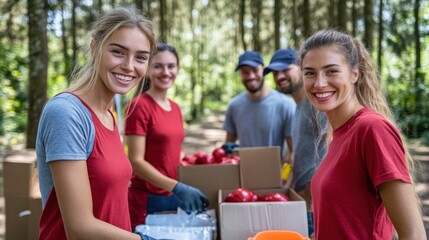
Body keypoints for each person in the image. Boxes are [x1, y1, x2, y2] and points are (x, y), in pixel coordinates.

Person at [35, 7, 160, 240]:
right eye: (118, 52)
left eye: (141, 57)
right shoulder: (67, 113)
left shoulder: (109, 115)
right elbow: (79, 228)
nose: (129, 66)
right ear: (95, 47)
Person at [300, 29, 426, 239]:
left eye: (331, 71)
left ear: (354, 74)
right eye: (310, 73)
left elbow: (414, 234)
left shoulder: (371, 129)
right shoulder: (337, 135)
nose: (319, 83)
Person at [125, 43, 208, 228]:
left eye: (171, 66)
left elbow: (174, 152)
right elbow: (135, 161)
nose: (166, 72)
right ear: (147, 70)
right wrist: (177, 187)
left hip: (171, 195)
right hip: (147, 199)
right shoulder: (139, 106)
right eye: (158, 66)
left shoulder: (175, 108)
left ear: (177, 69)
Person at [264, 48, 327, 237]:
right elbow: (297, 153)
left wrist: (318, 198)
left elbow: (333, 148)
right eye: (275, 73)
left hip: (319, 208)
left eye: (284, 69)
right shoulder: (297, 107)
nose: (279, 76)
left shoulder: (318, 104)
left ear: (302, 68)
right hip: (303, 204)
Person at [223, 50, 296, 163]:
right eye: (245, 72)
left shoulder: (286, 104)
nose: (251, 76)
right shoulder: (234, 105)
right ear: (240, 74)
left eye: (255, 70)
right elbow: (229, 146)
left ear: (263, 69)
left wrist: (286, 178)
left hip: (276, 175)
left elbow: (293, 152)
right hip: (243, 175)